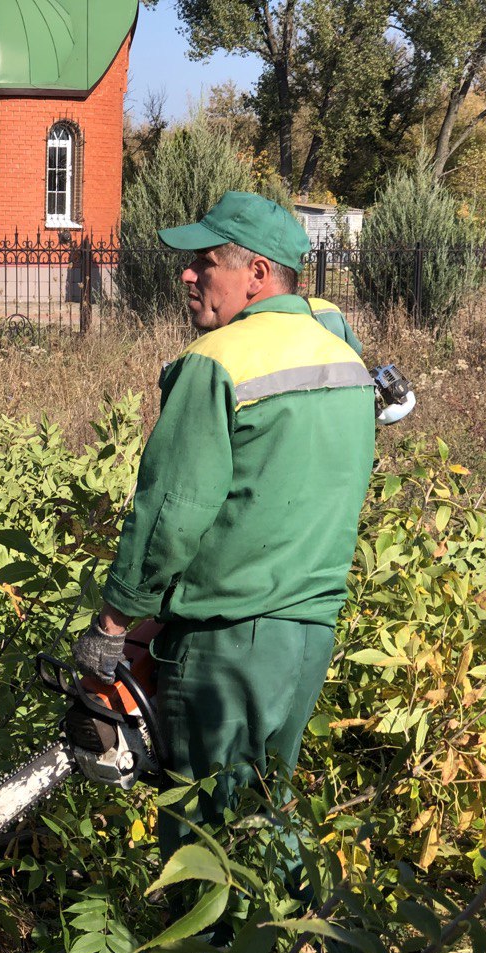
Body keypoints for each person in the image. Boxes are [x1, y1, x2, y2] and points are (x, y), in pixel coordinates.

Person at [71, 191, 376, 866]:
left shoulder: (218, 362)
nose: (187, 275)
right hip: (307, 636)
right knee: (267, 812)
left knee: (205, 836)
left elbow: (169, 514)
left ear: (257, 275)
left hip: (227, 642)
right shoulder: (344, 361)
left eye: (206, 264)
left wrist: (114, 626)